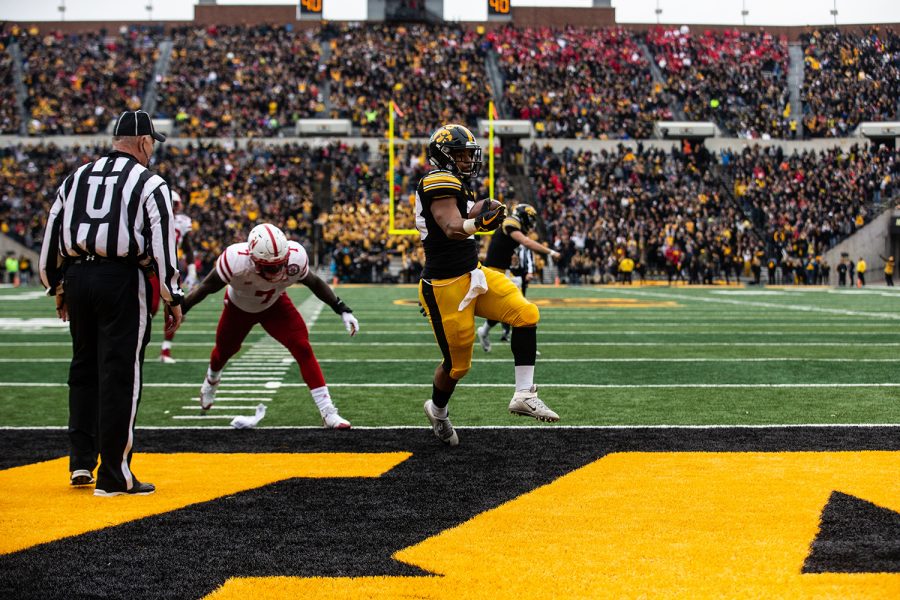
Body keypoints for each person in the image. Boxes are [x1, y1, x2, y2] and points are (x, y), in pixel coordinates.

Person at [39, 110, 183, 496]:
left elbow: (53, 230)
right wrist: (172, 294)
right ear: (143, 142)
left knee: (83, 368)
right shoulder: (151, 183)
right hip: (121, 279)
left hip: (78, 277)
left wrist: (56, 283)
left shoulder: (76, 178)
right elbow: (163, 243)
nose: (152, 151)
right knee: (120, 374)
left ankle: (81, 462)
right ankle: (116, 475)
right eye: (152, 143)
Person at [416, 124, 559, 447]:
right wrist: (477, 222)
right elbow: (452, 227)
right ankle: (438, 411)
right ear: (444, 156)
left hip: (475, 274)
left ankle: (524, 394)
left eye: (469, 154)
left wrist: (484, 207)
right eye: (461, 154)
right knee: (457, 367)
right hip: (445, 287)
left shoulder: (457, 184)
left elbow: (464, 213)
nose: (468, 160)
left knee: (526, 313)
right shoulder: (436, 180)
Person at [182, 223, 358, 429]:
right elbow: (206, 287)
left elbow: (315, 282)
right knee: (224, 352)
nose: (277, 271)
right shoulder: (235, 260)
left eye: (279, 264)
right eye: (270, 267)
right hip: (238, 309)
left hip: (275, 305)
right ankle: (211, 380)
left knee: (302, 346)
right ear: (253, 260)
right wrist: (183, 308)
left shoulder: (294, 257)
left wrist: (341, 308)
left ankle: (328, 412)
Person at [476, 203, 559, 352]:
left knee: (505, 308)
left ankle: (484, 331)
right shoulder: (510, 222)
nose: (532, 223)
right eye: (530, 218)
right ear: (523, 216)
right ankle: (526, 346)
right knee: (519, 308)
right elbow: (526, 242)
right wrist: (550, 252)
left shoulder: (514, 224)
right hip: (494, 272)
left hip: (504, 272)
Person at [151, 190, 197, 363]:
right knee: (151, 308)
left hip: (171, 268)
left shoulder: (182, 221)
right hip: (153, 266)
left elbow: (187, 246)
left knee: (175, 310)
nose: (177, 208)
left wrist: (192, 270)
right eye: (175, 203)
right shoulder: (152, 218)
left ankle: (165, 351)